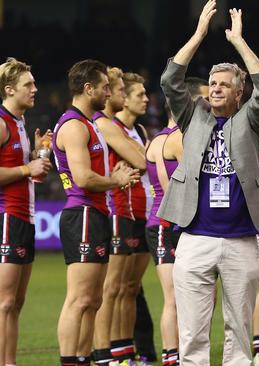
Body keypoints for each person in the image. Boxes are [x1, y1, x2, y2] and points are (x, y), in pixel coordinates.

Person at [158, 1, 259, 364]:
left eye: (224, 85)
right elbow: (169, 80)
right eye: (212, 84)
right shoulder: (191, 116)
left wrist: (239, 42)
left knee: (239, 332)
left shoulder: (251, 120)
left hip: (242, 240)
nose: (215, 89)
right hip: (195, 238)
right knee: (192, 333)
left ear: (237, 93)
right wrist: (198, 35)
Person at [53, 59, 138, 366]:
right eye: (103, 86)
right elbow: (83, 178)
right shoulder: (75, 125)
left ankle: (83, 357)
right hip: (83, 213)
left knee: (94, 299)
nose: (107, 91)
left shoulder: (89, 124)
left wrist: (112, 174)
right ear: (87, 89)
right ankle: (69, 360)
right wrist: (114, 180)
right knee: (79, 299)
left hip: (95, 213)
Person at [0, 57, 51, 366]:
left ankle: (9, 362)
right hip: (5, 215)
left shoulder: (19, 123)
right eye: (28, 85)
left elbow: (22, 172)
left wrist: (36, 161)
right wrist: (26, 167)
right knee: (3, 300)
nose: (35, 89)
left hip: (24, 216)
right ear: (9, 89)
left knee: (16, 302)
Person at [145, 77, 208, 366]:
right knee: (174, 297)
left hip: (174, 223)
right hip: (167, 224)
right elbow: (171, 188)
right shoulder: (173, 139)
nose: (210, 103)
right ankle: (173, 357)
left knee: (186, 296)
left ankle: (183, 354)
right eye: (205, 98)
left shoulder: (167, 137)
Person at [90, 67, 148, 366]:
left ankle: (124, 351)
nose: (124, 95)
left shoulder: (116, 126)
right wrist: (138, 152)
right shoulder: (104, 123)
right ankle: (103, 355)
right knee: (110, 288)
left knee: (127, 288)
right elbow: (141, 160)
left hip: (129, 210)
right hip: (115, 209)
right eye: (122, 90)